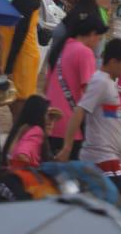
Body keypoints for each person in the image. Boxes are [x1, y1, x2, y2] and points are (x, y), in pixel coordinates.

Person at [56, 38, 121, 200]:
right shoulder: (101, 82)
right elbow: (80, 110)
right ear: (113, 62)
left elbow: (108, 116)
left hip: (109, 155)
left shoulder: (108, 83)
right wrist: (67, 147)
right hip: (101, 156)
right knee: (120, 204)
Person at [44, 9, 107, 158]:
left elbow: (47, 86)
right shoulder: (85, 53)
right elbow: (89, 93)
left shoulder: (63, 47)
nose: (99, 42)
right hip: (71, 127)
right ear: (92, 34)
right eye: (99, 37)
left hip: (51, 120)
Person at [0, 0, 41, 123]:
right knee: (13, 104)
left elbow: (21, 31)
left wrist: (9, 64)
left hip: (22, 55)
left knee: (20, 106)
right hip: (13, 53)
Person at [3, 95, 59, 167]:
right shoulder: (36, 131)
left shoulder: (19, 129)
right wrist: (32, 171)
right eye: (46, 114)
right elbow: (21, 155)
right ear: (38, 114)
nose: (49, 120)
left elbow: (9, 156)